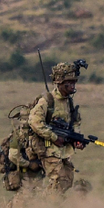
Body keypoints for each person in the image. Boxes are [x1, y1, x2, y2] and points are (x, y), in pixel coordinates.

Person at [29, 61, 86, 196]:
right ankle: (46, 206)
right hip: (49, 149)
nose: (73, 86)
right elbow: (34, 121)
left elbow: (75, 123)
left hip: (63, 151)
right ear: (60, 82)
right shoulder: (48, 101)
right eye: (69, 82)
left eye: (74, 82)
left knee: (67, 180)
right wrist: (54, 137)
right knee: (59, 180)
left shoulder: (69, 102)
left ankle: (46, 203)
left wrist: (76, 139)